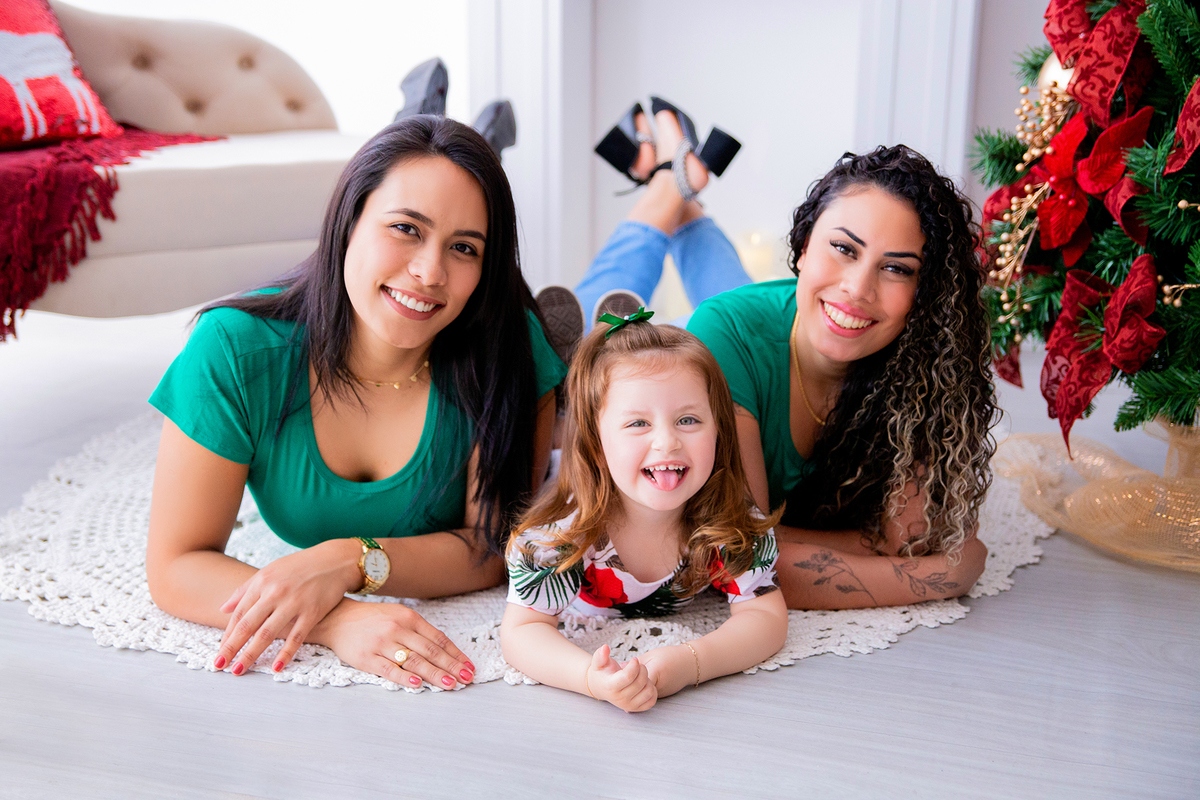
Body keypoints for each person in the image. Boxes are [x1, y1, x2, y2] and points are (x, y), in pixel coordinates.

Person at [145, 116, 567, 688]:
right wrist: (338, 619)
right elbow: (175, 565)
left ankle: (578, 343)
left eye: (463, 248)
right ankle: (425, 112)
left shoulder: (505, 348)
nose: (429, 272)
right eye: (405, 228)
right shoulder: (235, 349)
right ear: (348, 222)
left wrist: (350, 558)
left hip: (531, 354)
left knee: (607, 399)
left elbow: (489, 550)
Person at [580, 102, 997, 610]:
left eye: (896, 269)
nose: (857, 288)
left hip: (778, 321)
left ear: (925, 292)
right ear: (801, 247)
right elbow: (742, 559)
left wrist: (878, 548)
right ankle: (669, 187)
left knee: (741, 302)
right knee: (602, 340)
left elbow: (905, 538)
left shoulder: (925, 362)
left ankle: (671, 178)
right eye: (844, 249)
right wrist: (943, 575)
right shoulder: (730, 331)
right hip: (735, 336)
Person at [501, 315, 788, 713]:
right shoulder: (556, 537)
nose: (667, 441)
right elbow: (522, 631)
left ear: (719, 431)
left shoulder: (733, 524)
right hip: (576, 484)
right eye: (638, 423)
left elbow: (764, 617)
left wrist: (691, 663)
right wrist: (590, 678)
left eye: (688, 420)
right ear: (596, 444)